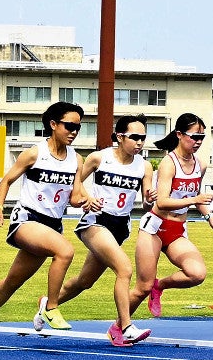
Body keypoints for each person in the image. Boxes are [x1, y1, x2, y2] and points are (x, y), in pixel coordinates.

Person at [0, 101, 88, 347]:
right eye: (69, 126)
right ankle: (50, 307)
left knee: (12, 282)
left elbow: (75, 197)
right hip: (27, 219)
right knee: (65, 251)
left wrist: (88, 202)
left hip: (52, 225)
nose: (74, 131)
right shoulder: (35, 153)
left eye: (78, 126)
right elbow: (6, 181)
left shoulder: (77, 160)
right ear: (53, 125)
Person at [55, 115, 156, 347]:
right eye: (134, 137)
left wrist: (150, 199)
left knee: (84, 281)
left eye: (143, 138)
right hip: (95, 222)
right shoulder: (99, 158)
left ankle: (48, 304)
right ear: (120, 137)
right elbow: (72, 185)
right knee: (124, 269)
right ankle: (125, 327)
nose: (139, 143)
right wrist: (86, 198)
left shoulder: (144, 166)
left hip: (120, 227)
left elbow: (148, 204)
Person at [129, 113, 213, 320]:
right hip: (154, 228)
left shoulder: (200, 165)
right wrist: (195, 199)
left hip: (177, 230)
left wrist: (210, 218)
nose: (198, 141)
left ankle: (159, 285)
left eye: (201, 137)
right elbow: (162, 202)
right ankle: (120, 326)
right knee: (141, 287)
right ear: (179, 135)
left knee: (196, 274)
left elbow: (195, 198)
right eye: (194, 136)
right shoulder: (168, 163)